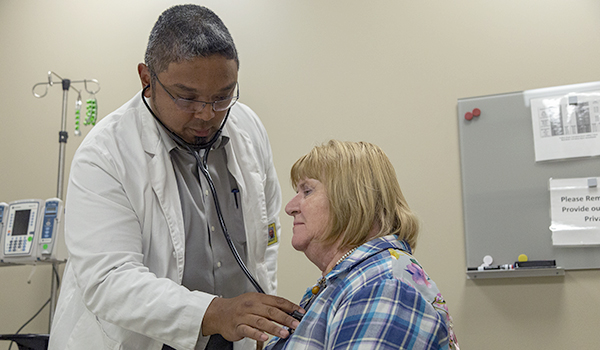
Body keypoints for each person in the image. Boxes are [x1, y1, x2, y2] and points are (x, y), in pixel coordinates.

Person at [48, 5, 302, 350]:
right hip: (142, 340)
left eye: (223, 96)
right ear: (147, 80)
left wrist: (257, 318)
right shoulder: (105, 154)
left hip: (231, 340)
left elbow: (265, 241)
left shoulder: (247, 128)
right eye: (187, 98)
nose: (207, 114)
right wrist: (216, 312)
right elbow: (110, 280)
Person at [266, 140, 460, 350]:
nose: (290, 207)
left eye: (307, 191)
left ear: (350, 198)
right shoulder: (353, 281)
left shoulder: (384, 286)